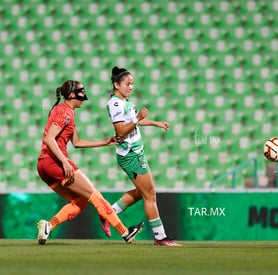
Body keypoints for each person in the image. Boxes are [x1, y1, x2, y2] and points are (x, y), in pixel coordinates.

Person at [36, 80, 144, 245]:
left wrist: (106, 141)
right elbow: (49, 139)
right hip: (54, 162)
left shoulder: (66, 112)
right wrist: (65, 162)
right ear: (72, 94)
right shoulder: (65, 112)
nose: (83, 94)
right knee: (95, 196)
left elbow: (77, 142)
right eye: (80, 90)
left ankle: (48, 226)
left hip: (44, 166)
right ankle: (125, 232)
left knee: (79, 202)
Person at [100, 66, 182, 246]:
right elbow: (121, 131)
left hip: (135, 152)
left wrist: (155, 123)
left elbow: (133, 122)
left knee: (141, 192)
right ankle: (160, 238)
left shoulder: (124, 101)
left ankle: (108, 213)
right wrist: (137, 117)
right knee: (150, 194)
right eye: (127, 84)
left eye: (132, 84)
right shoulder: (115, 104)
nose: (130, 87)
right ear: (116, 84)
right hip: (131, 155)